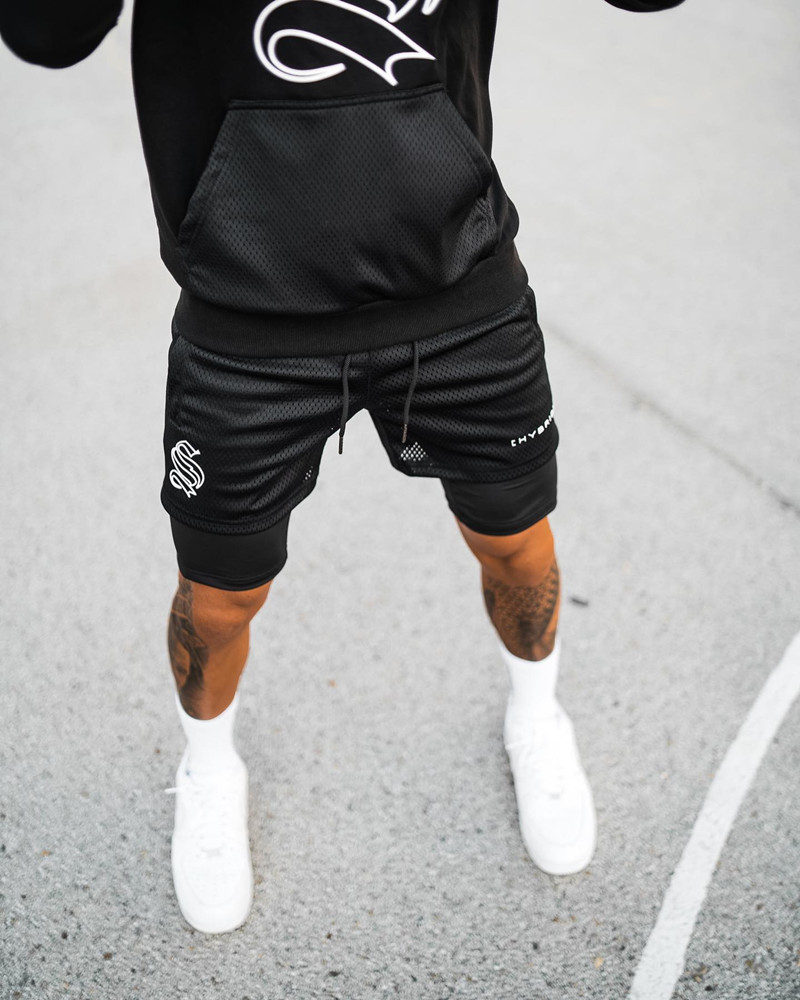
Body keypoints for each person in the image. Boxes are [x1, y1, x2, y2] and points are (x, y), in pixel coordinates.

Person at [0, 0, 686, 935]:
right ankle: (208, 767)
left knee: (518, 545)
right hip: (248, 312)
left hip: (459, 289)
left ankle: (537, 714)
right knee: (219, 599)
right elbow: (46, 33)